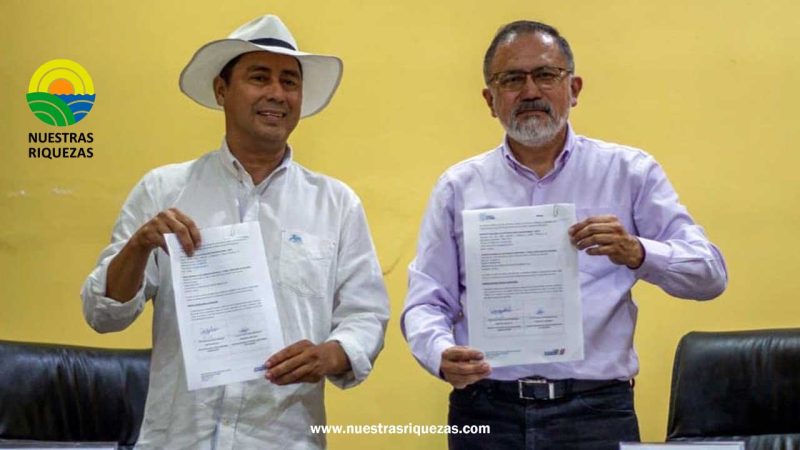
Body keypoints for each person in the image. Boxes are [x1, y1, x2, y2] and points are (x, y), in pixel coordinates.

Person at [401, 20, 727, 449]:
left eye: (546, 75)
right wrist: (440, 354)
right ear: (490, 99)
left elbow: (710, 275)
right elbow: (426, 301)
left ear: (573, 88)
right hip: (485, 410)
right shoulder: (458, 187)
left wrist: (637, 252)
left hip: (594, 413)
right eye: (512, 79)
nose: (530, 91)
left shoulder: (629, 173)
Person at [81, 15, 389, 450]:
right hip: (178, 438)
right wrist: (138, 245)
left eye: (290, 82)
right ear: (221, 90)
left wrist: (331, 354)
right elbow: (104, 315)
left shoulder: (335, 204)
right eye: (259, 77)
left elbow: (366, 315)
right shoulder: (164, 189)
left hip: (284, 438)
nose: (277, 94)